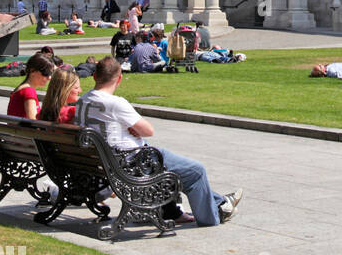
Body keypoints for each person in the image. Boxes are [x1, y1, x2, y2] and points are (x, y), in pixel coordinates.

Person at [74, 56, 242, 226]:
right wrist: (134, 131)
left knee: (182, 170)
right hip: (133, 162)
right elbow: (148, 130)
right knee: (196, 171)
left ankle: (221, 203)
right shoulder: (115, 103)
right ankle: (213, 216)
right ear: (119, 79)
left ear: (94, 76)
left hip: (104, 164)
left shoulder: (82, 101)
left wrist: (128, 130)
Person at [7, 52, 55, 119]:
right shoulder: (28, 91)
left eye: (51, 73)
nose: (49, 77)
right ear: (32, 71)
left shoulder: (21, 88)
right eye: (45, 73)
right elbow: (33, 122)